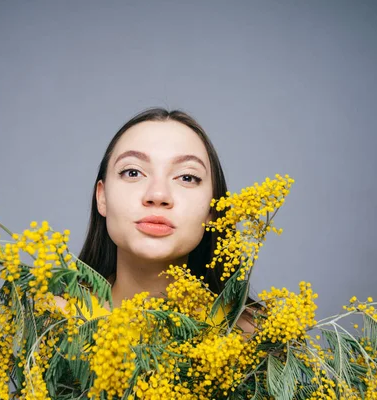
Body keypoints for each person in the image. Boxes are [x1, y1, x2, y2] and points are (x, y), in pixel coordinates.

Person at [73, 107, 260, 335]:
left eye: (187, 177)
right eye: (133, 172)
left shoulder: (257, 339)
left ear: (214, 208)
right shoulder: (51, 325)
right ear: (102, 198)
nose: (158, 195)